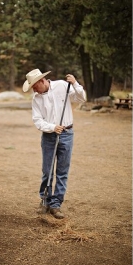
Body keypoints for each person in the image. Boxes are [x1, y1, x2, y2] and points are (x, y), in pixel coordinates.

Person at [23, 68, 87, 219]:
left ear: (41, 81)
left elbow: (81, 99)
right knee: (47, 170)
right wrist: (52, 127)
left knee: (62, 171)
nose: (33, 89)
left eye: (34, 85)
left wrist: (76, 84)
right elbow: (38, 121)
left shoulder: (62, 86)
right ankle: (45, 200)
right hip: (49, 136)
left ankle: (56, 204)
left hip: (67, 133)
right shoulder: (36, 99)